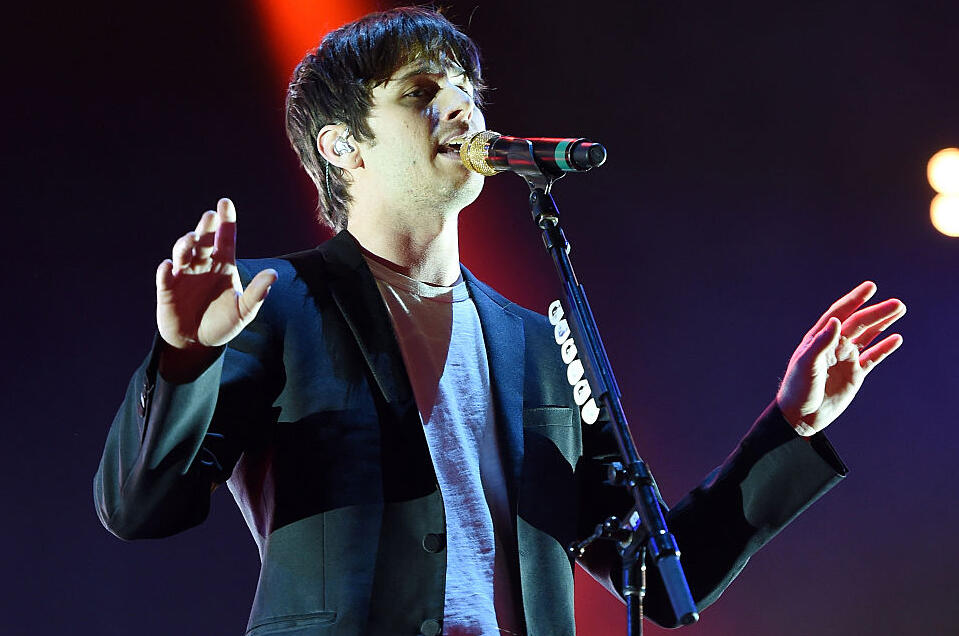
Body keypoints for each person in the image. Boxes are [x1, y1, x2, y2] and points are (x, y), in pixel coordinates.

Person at [94, 7, 906, 636]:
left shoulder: (529, 343)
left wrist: (789, 425)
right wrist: (183, 358)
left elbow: (663, 578)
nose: (459, 107)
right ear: (342, 146)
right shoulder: (275, 303)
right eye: (420, 92)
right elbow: (141, 510)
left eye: (465, 91)